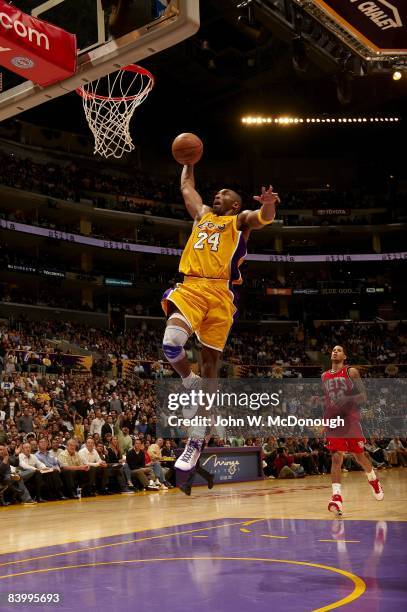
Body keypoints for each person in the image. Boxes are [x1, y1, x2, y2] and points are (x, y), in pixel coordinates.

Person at [161, 163, 279, 471]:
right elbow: (187, 188)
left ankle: (196, 440)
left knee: (212, 366)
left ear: (235, 204)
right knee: (172, 343)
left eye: (224, 194)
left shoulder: (238, 221)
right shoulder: (201, 215)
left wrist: (267, 204)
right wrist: (188, 163)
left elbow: (262, 218)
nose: (218, 195)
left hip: (220, 294)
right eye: (217, 192)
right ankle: (189, 379)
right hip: (191, 285)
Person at [320, 345, 384, 516]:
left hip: (350, 419)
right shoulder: (324, 376)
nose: (335, 351)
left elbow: (363, 396)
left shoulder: (351, 372)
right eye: (333, 350)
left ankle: (374, 481)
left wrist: (346, 398)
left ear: (345, 356)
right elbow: (329, 400)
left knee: (359, 456)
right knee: (336, 457)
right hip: (333, 420)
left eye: (339, 350)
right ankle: (337, 498)